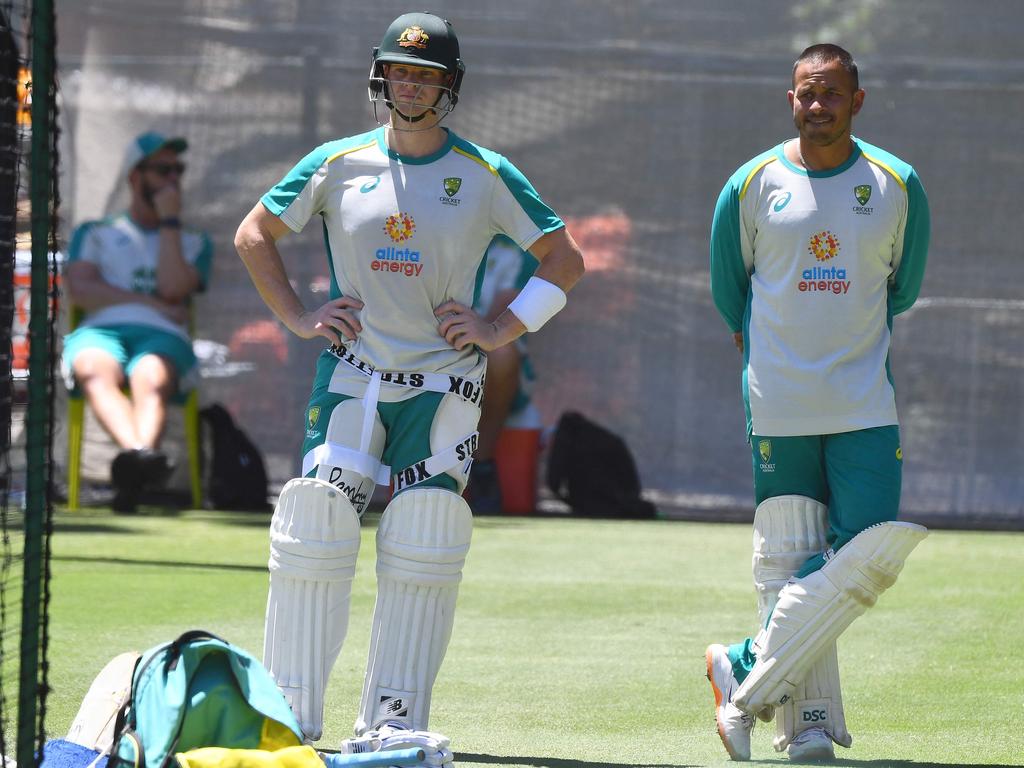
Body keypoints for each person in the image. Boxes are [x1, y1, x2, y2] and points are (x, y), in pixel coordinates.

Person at [233, 12, 584, 765]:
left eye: (426, 74)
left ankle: (392, 720)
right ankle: (290, 713)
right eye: (400, 71)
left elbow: (564, 261)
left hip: (445, 385)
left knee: (426, 530)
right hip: (354, 377)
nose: (412, 84)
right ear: (381, 77)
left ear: (448, 86)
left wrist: (499, 328)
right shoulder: (338, 161)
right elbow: (253, 233)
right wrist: (297, 316)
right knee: (320, 515)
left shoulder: (486, 173)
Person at [706, 44, 930, 762]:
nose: (818, 106)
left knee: (868, 553)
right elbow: (728, 289)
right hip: (780, 404)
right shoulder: (751, 184)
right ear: (790, 97)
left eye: (832, 93)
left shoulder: (895, 182)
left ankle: (742, 664)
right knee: (791, 558)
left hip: (863, 400)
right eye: (807, 93)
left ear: (856, 101)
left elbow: (905, 286)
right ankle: (804, 726)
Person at [63, 132, 213, 513]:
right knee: (94, 368)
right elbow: (81, 290)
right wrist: (153, 304)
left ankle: (133, 467)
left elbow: (173, 287)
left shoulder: (194, 241)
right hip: (100, 331)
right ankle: (142, 461)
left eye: (177, 170)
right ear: (135, 176)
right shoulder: (95, 233)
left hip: (163, 336)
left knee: (151, 376)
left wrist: (169, 223)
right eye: (162, 169)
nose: (173, 179)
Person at [464, 234, 540, 515]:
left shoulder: (525, 246)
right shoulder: (441, 230)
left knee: (500, 352)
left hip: (488, 358)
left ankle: (482, 466)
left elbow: (499, 318)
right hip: (432, 345)